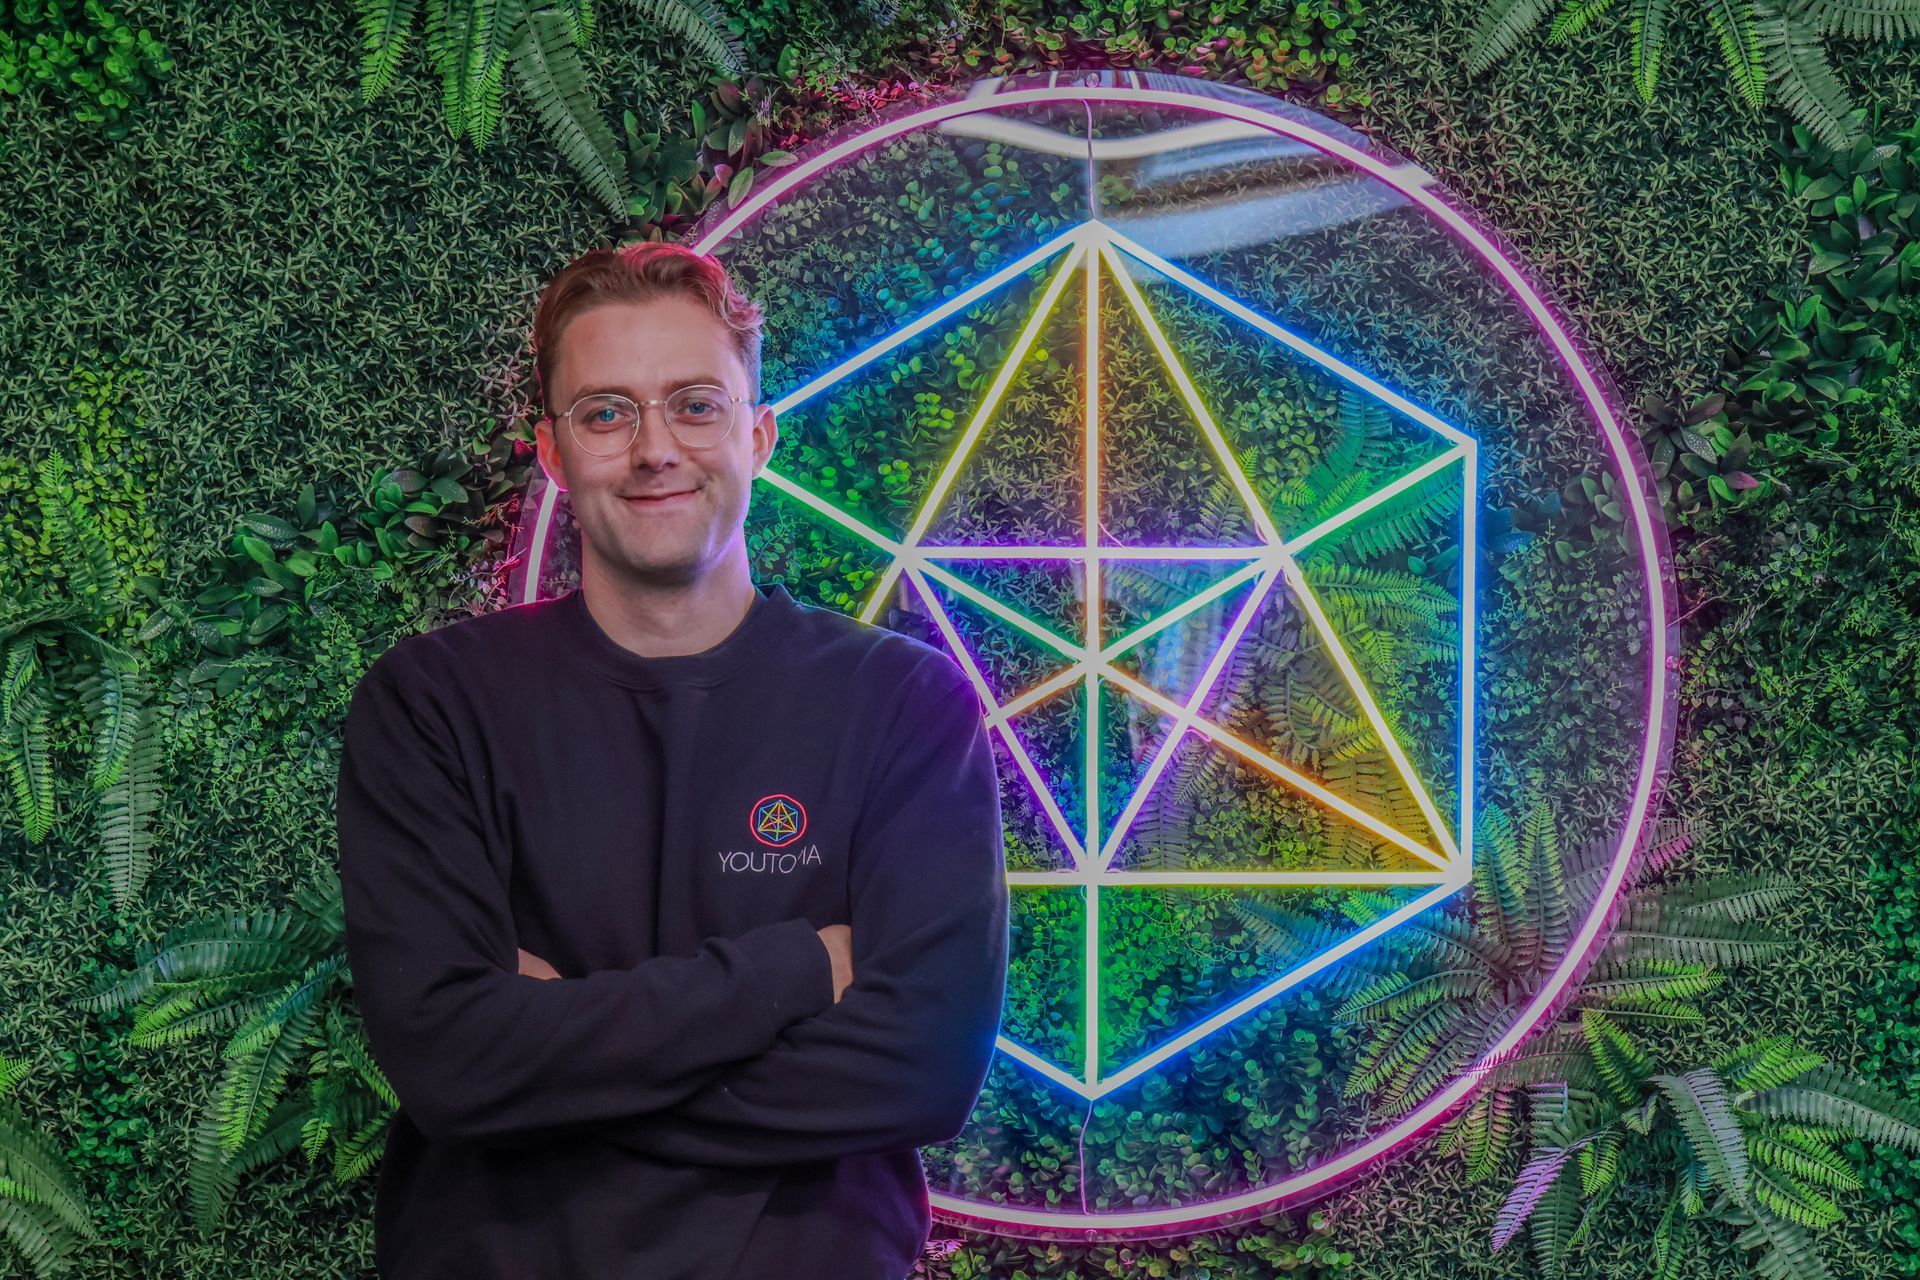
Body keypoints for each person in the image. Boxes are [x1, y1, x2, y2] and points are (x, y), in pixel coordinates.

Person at [334, 240, 1010, 1279]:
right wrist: (797, 967)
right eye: (607, 412)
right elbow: (454, 1064)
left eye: (695, 404)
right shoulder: (434, 704)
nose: (655, 449)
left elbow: (923, 1067)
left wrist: (554, 1049)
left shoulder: (902, 702)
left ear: (759, 433)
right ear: (553, 453)